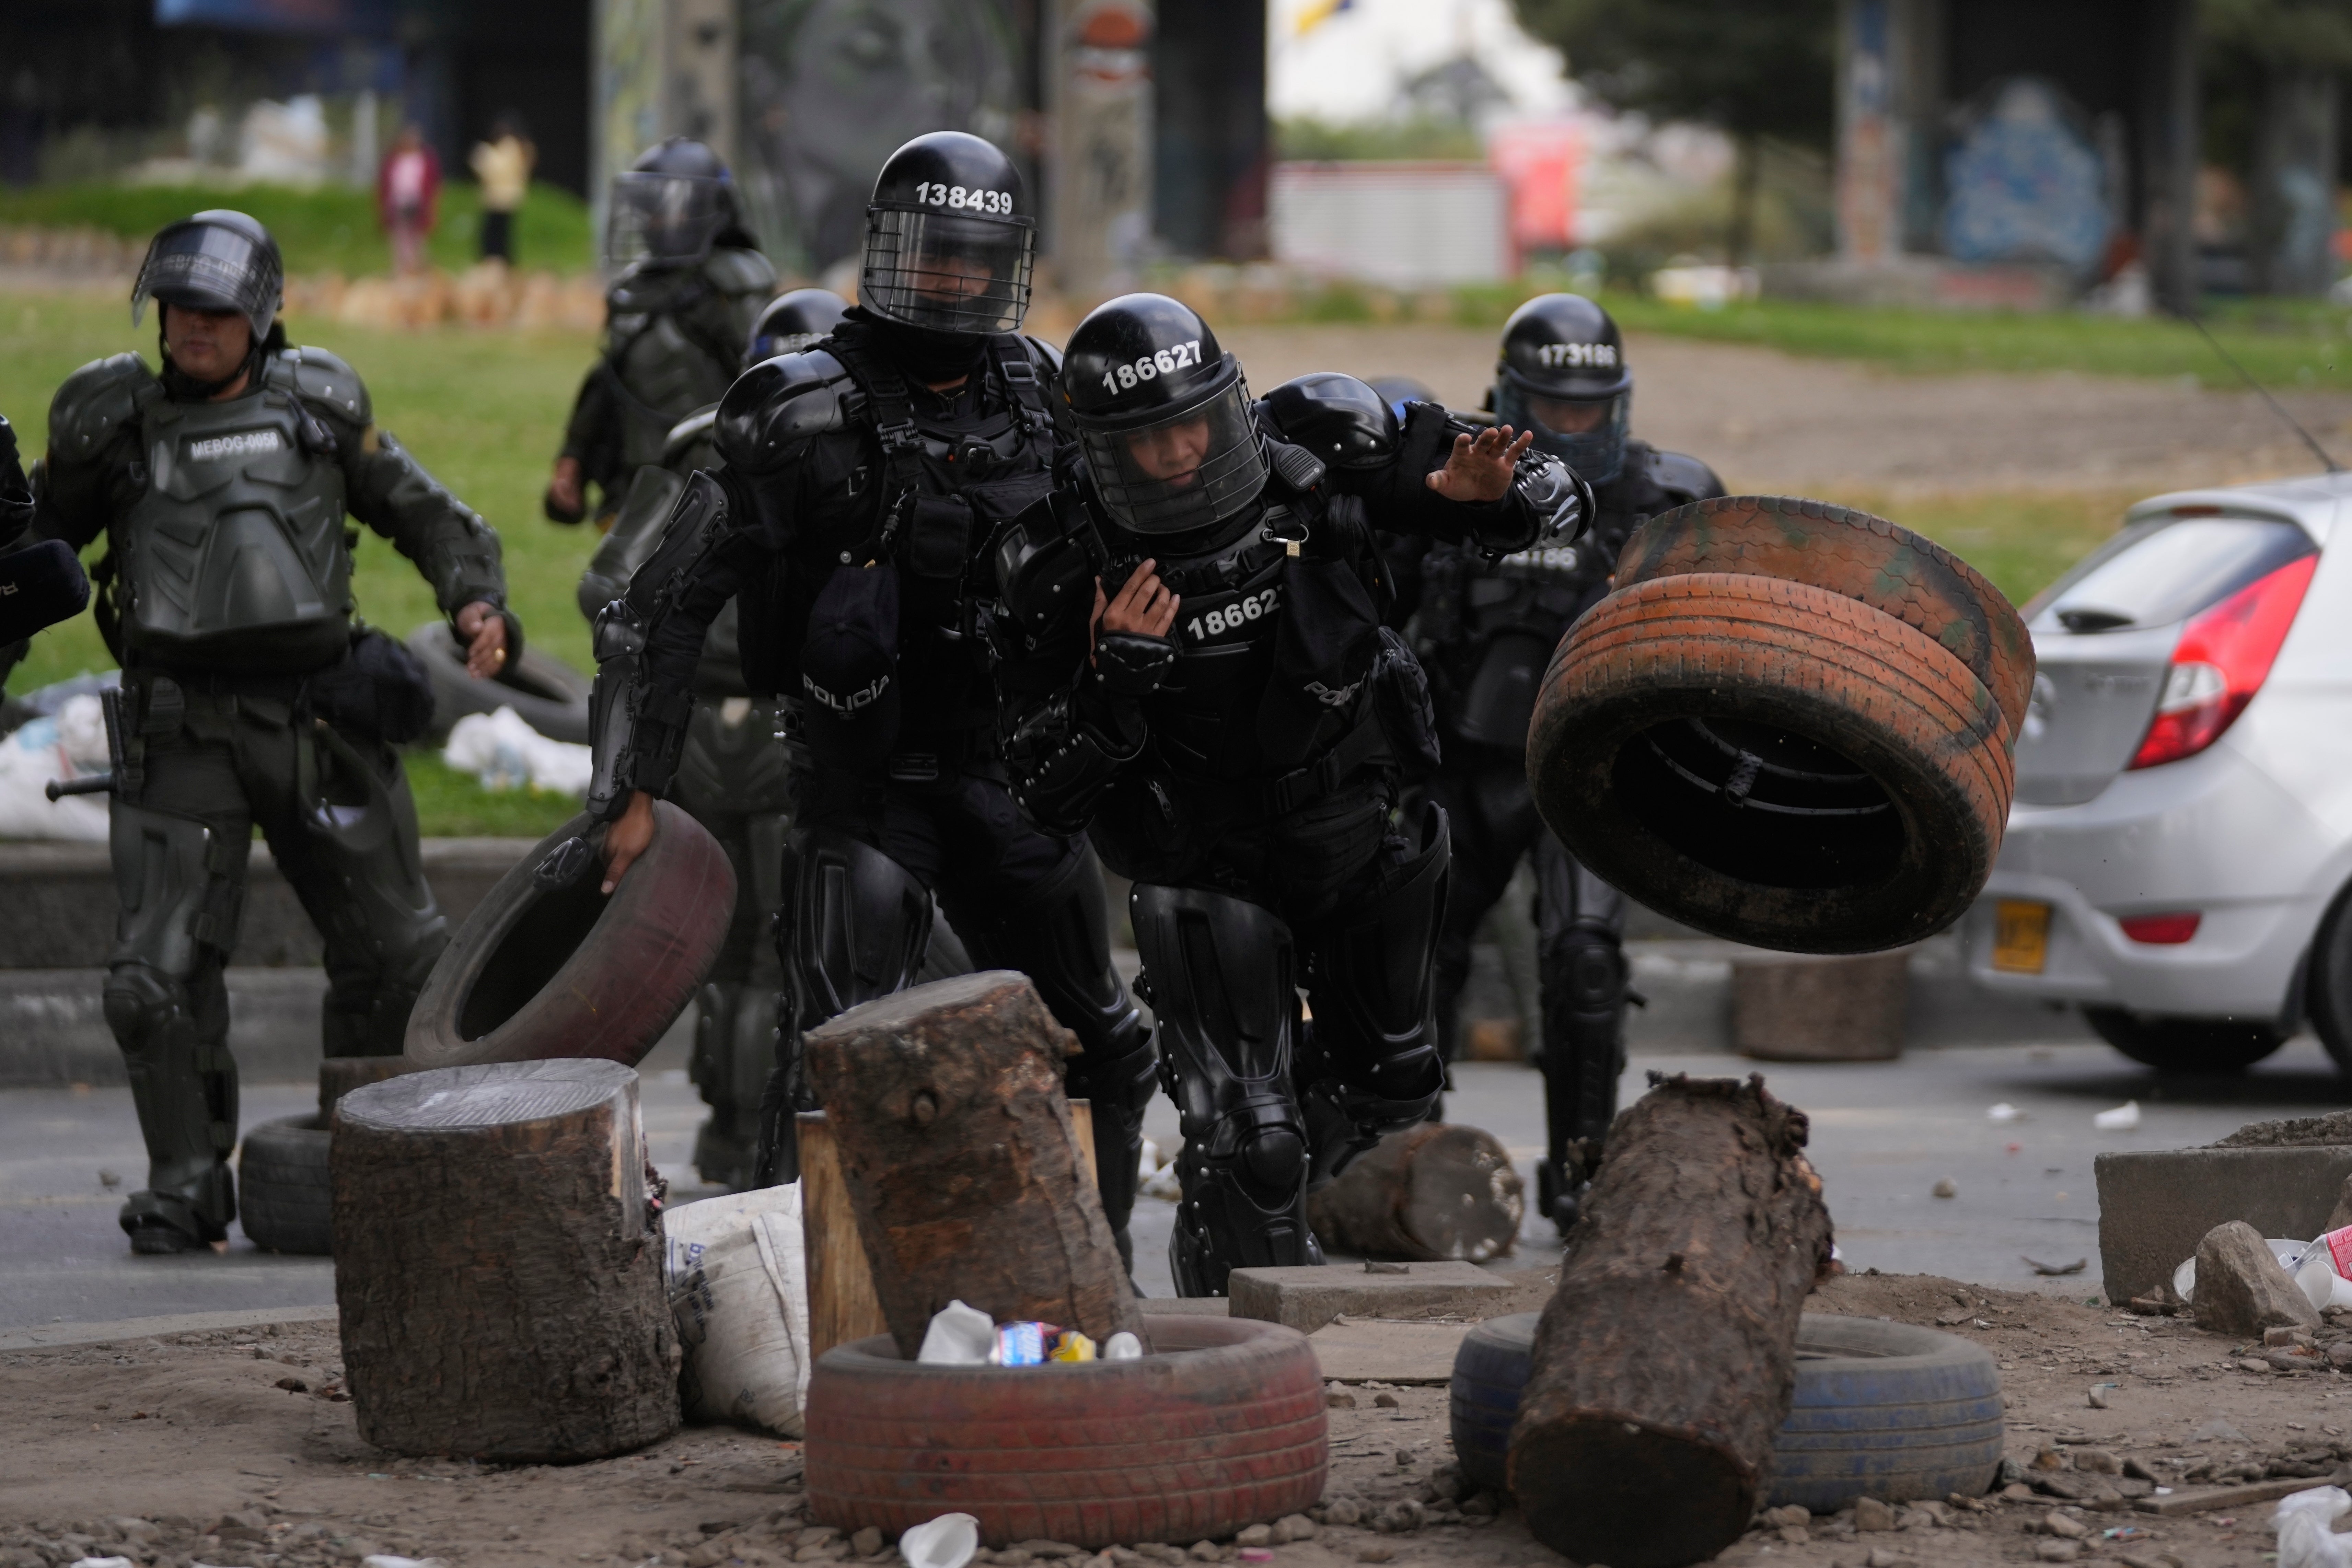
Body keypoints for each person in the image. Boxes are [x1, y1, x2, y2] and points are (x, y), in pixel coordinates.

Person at [582, 132, 1159, 1266]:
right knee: (840, 1060)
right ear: (886, 256)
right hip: (866, 788)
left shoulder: (1040, 391)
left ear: (1007, 264)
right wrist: (631, 787)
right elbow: (661, 603)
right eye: (928, 255)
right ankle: (805, 1308)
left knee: (1108, 1044)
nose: (949, 280)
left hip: (1018, 776)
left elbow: (1130, 532)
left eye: (971, 257)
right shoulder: (798, 413)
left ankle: (1100, 1276)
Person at [990, 293, 1589, 1295]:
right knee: (1248, 1130)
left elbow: (1556, 490)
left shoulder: (1321, 441)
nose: (1181, 453)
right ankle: (1243, 1318)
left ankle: (1347, 1263)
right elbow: (1038, 788)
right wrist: (1114, 686)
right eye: (1150, 440)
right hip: (1205, 855)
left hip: (1356, 821)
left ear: (1227, 403)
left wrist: (1487, 497)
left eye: (1194, 423)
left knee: (1395, 1088)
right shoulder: (1056, 564)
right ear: (1099, 450)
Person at [31, 209, 518, 1255]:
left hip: (318, 717)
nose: (193, 326)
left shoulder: (323, 408)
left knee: (400, 959)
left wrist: (477, 600)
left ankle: (365, 1160)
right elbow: (38, 547)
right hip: (179, 728)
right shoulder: (110, 423)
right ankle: (185, 1187)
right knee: (154, 977)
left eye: (215, 309)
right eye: (178, 307)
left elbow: (429, 513)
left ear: (259, 315)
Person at [1388, 293, 1723, 1232]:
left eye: (1590, 412)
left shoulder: (1666, 502)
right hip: (1460, 762)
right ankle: (1413, 1175)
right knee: (1415, 965)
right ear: (1508, 401)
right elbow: (1367, 614)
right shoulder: (1448, 480)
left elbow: (1725, 642)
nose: (1574, 432)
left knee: (1582, 961)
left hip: (1586, 773)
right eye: (1555, 413)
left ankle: (1583, 1174)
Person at [573, 286, 851, 1190]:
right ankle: (761, 1145)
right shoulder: (723, 448)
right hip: (767, 725)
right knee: (776, 945)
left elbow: (607, 587)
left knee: (737, 947)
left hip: (703, 726)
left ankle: (738, 1136)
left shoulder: (707, 445)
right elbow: (615, 592)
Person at [545, 139, 776, 530]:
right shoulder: (634, 289)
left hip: (714, 486)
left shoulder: (734, 283)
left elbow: (769, 384)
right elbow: (611, 381)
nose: (653, 221)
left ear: (708, 209)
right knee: (607, 589)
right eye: (647, 209)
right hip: (638, 489)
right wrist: (575, 457)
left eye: (664, 209)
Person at [469, 113, 535, 266]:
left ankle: (498, 260)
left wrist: (482, 159)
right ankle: (497, 260)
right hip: (500, 197)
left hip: (502, 196)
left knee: (498, 233)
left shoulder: (509, 148)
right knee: (498, 232)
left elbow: (496, 170)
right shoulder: (513, 148)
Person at [378, 125, 440, 276]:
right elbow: (385, 184)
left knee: (418, 238)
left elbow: (433, 185)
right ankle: (402, 270)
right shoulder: (394, 160)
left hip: (418, 202)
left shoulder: (425, 160)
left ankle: (420, 269)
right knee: (400, 238)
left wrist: (432, 208)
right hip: (399, 203)